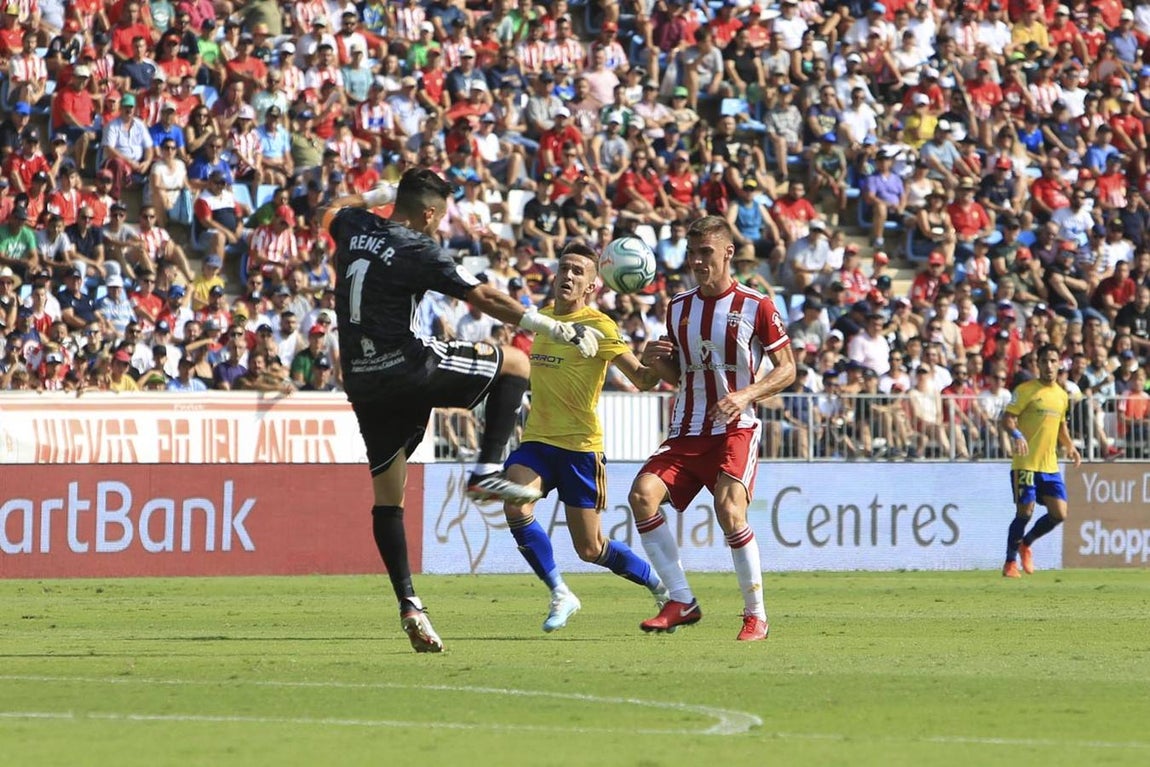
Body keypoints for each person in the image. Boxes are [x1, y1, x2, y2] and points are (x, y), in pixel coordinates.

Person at [324, 168, 603, 653]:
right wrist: (554, 329)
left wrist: (379, 192)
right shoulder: (418, 248)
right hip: (406, 365)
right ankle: (485, 469)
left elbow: (329, 209)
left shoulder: (353, 224)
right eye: (440, 216)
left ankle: (410, 604)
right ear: (429, 213)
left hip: (363, 382)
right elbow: (485, 297)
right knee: (515, 362)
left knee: (389, 498)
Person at [628, 216, 796, 641]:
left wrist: (746, 395)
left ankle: (755, 614)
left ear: (727, 253)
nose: (698, 261)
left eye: (706, 252)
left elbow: (788, 369)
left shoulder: (757, 305)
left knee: (729, 508)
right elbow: (680, 373)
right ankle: (681, 599)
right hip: (687, 428)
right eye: (692, 253)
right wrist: (653, 359)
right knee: (642, 495)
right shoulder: (679, 307)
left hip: (736, 427)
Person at [501, 241, 669, 633]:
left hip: (580, 449)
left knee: (591, 548)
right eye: (565, 268)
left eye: (579, 271)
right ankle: (560, 592)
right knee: (515, 504)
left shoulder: (600, 327)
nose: (570, 276)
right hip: (538, 443)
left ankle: (659, 586)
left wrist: (654, 357)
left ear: (592, 286)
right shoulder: (541, 321)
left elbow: (643, 381)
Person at [1000, 344, 1082, 579]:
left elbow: (1061, 427)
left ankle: (1026, 543)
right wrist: (1016, 435)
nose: (1048, 366)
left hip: (1050, 466)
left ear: (1059, 364)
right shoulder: (1025, 390)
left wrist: (1070, 447)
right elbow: (1007, 419)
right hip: (1025, 463)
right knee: (1025, 511)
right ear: (1038, 364)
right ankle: (1009, 563)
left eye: (1053, 361)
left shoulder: (1061, 395)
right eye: (1044, 361)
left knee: (1060, 513)